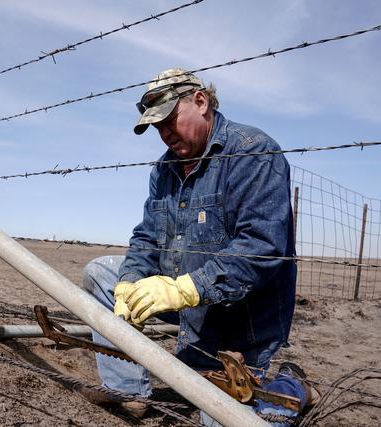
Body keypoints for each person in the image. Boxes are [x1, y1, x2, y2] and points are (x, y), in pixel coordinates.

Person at [82, 68, 318, 424]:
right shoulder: (164, 169)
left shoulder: (252, 152)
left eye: (169, 121)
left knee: (225, 418)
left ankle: (290, 382)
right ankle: (128, 391)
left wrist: (186, 288)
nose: (164, 134)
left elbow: (262, 248)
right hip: (186, 301)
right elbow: (147, 235)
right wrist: (130, 281)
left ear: (201, 101)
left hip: (238, 318)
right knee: (101, 273)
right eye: (157, 128)